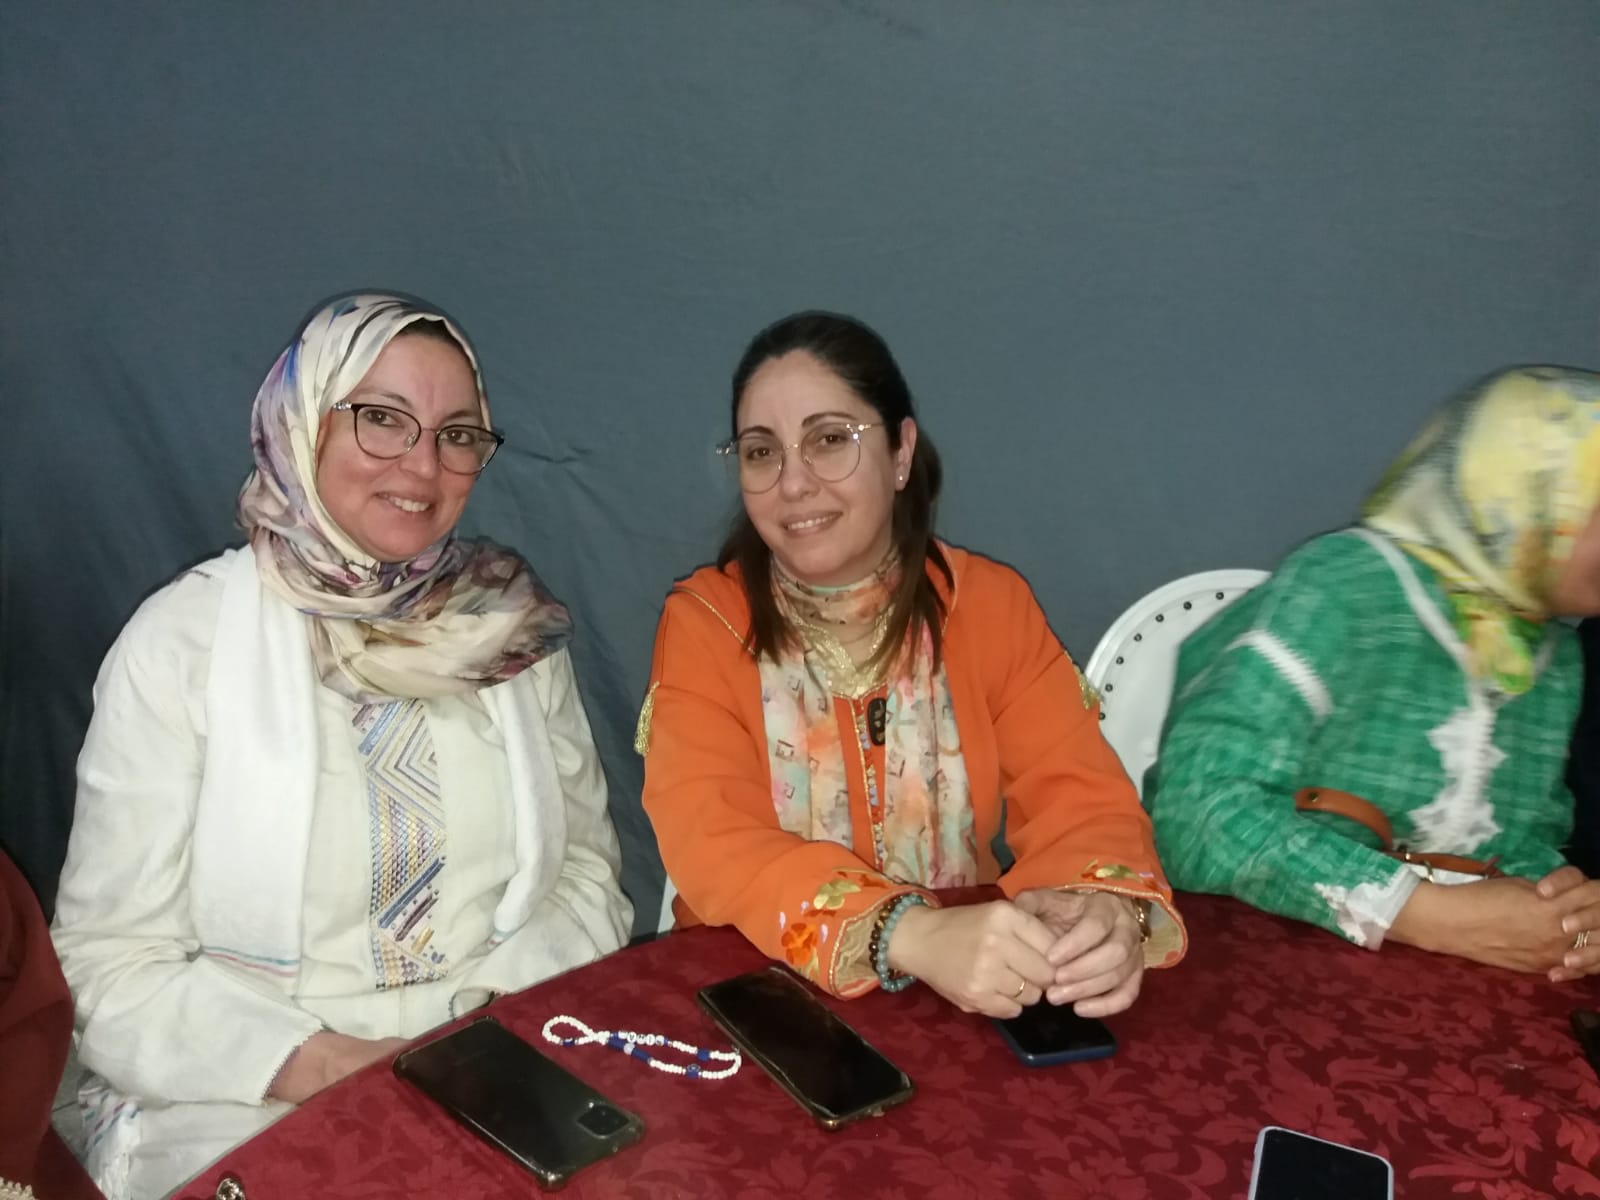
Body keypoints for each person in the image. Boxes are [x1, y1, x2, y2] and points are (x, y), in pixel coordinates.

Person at [51, 293, 631, 1200]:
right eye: (382, 419)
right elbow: (108, 963)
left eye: (457, 434)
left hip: (497, 1053)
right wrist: (326, 1064)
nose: (422, 465)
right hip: (246, 1085)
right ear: (302, 424)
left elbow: (588, 876)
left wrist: (482, 1030)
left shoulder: (506, 628)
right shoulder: (181, 644)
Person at [638, 311, 1184, 1020]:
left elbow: (1078, 796)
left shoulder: (987, 606)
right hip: (755, 996)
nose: (793, 483)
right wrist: (906, 933)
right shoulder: (706, 623)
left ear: (900, 453)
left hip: (971, 995)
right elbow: (714, 841)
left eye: (829, 439)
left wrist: (1100, 908)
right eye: (761, 452)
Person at [1146, 365, 1600, 982]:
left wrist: (1564, 911)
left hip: (1429, 983)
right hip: (1254, 959)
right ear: (1530, 491)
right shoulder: (1341, 586)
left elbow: (1521, 837)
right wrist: (1422, 913)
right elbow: (1195, 812)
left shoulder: (1553, 654)